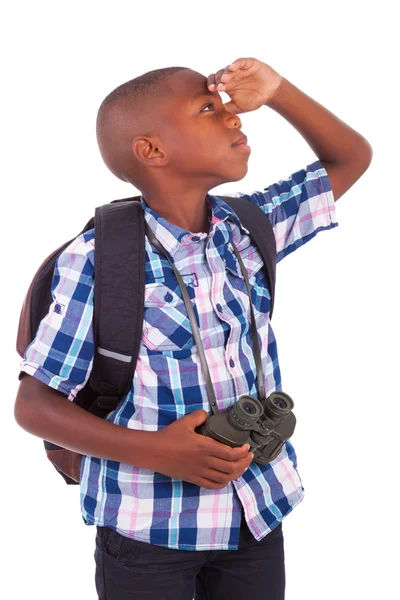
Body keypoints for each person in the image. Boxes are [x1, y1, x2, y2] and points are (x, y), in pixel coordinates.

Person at [14, 57, 373, 600]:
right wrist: (156, 451)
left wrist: (277, 91)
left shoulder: (247, 229)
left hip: (256, 511)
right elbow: (34, 406)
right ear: (151, 151)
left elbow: (351, 157)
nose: (232, 116)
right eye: (208, 108)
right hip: (147, 528)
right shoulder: (100, 261)